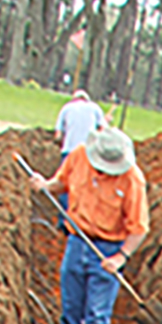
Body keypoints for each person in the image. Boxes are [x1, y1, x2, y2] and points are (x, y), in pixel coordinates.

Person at [29, 127, 148, 324]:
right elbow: (61, 183)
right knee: (71, 308)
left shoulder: (133, 180)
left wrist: (121, 257)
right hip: (77, 242)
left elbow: (139, 228)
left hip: (108, 250)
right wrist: (44, 185)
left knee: (96, 315)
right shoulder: (78, 157)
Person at [53, 89, 106, 231]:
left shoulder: (66, 108)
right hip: (89, 153)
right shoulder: (95, 109)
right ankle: (83, 222)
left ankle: (64, 222)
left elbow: (58, 135)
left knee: (65, 185)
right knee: (86, 187)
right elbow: (103, 131)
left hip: (69, 151)